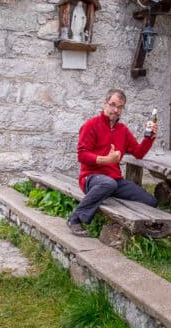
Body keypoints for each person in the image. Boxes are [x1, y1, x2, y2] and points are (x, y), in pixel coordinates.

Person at [67, 88, 158, 237]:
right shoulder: (91, 125)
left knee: (150, 201)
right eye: (112, 104)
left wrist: (150, 137)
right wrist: (105, 160)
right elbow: (82, 155)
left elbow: (139, 153)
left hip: (115, 181)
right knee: (108, 184)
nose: (115, 110)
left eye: (120, 107)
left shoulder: (123, 130)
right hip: (90, 178)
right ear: (105, 104)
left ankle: (138, 233)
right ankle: (75, 219)